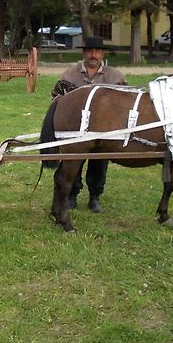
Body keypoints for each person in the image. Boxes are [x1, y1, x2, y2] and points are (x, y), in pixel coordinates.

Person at [51, 36, 127, 213]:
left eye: (97, 51)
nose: (93, 55)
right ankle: (71, 196)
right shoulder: (70, 75)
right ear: (84, 53)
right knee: (73, 164)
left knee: (99, 165)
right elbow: (57, 101)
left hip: (104, 132)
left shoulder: (114, 76)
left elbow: (125, 105)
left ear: (102, 53)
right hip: (76, 132)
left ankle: (95, 197)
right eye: (90, 51)